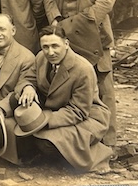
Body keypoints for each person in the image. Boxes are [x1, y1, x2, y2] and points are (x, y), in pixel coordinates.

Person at [43, 0, 116, 147]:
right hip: (61, 35)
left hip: (93, 34)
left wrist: (74, 25)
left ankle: (108, 141)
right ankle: (71, 140)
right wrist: (55, 19)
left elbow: (106, 1)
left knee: (102, 86)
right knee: (65, 84)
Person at [15, 25, 112, 173]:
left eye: (55, 46)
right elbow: (28, 77)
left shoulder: (83, 69)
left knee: (46, 142)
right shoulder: (41, 58)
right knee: (21, 125)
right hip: (53, 111)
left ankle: (96, 152)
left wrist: (42, 121)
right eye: (45, 47)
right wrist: (27, 87)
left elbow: (78, 111)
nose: (50, 52)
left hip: (86, 117)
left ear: (66, 44)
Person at [0, 14, 37, 165]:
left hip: (8, 111)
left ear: (13, 30)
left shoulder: (26, 57)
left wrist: (2, 107)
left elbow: (20, 90)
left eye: (2, 29)